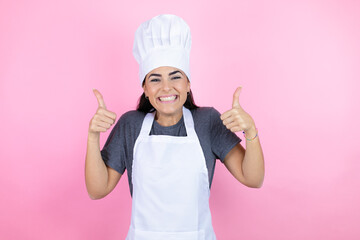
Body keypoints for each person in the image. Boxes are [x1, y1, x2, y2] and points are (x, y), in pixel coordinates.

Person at [85, 14, 264, 240]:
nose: (166, 88)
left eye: (175, 77)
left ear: (188, 83)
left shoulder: (207, 121)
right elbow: (97, 190)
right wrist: (93, 137)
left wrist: (251, 132)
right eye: (155, 79)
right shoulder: (130, 124)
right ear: (145, 88)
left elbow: (253, 178)